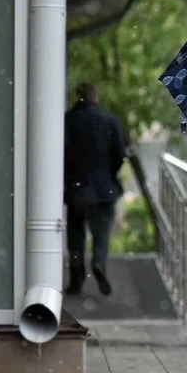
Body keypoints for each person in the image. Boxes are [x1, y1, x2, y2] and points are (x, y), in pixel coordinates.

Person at [64, 82, 126, 296]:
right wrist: (107, 174)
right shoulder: (109, 121)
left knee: (75, 237)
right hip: (103, 189)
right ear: (95, 96)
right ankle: (99, 262)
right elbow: (120, 155)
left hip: (74, 190)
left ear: (77, 96)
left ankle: (76, 277)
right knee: (101, 233)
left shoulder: (67, 121)